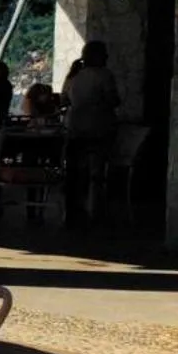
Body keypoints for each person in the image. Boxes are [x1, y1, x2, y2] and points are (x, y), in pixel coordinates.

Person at [62, 41, 121, 220]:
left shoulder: (73, 75)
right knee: (96, 172)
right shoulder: (104, 75)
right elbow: (114, 101)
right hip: (98, 129)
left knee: (73, 171)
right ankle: (94, 210)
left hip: (74, 128)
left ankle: (72, 209)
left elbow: (64, 100)